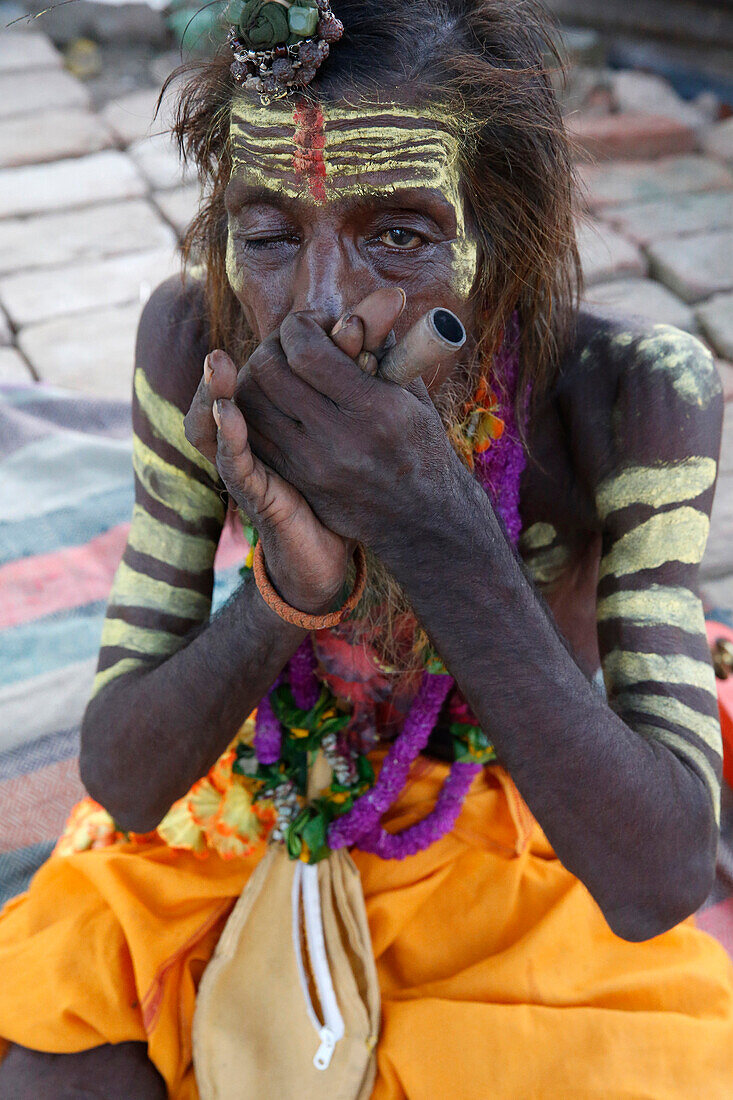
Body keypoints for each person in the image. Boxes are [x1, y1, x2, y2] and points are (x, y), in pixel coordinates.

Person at [1, 0, 733, 1096]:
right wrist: (290, 588)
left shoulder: (628, 393)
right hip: (247, 803)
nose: (323, 305)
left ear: (507, 230)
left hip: (515, 820)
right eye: (269, 236)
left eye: (401, 233)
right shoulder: (197, 335)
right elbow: (127, 777)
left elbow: (657, 874)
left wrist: (425, 515)